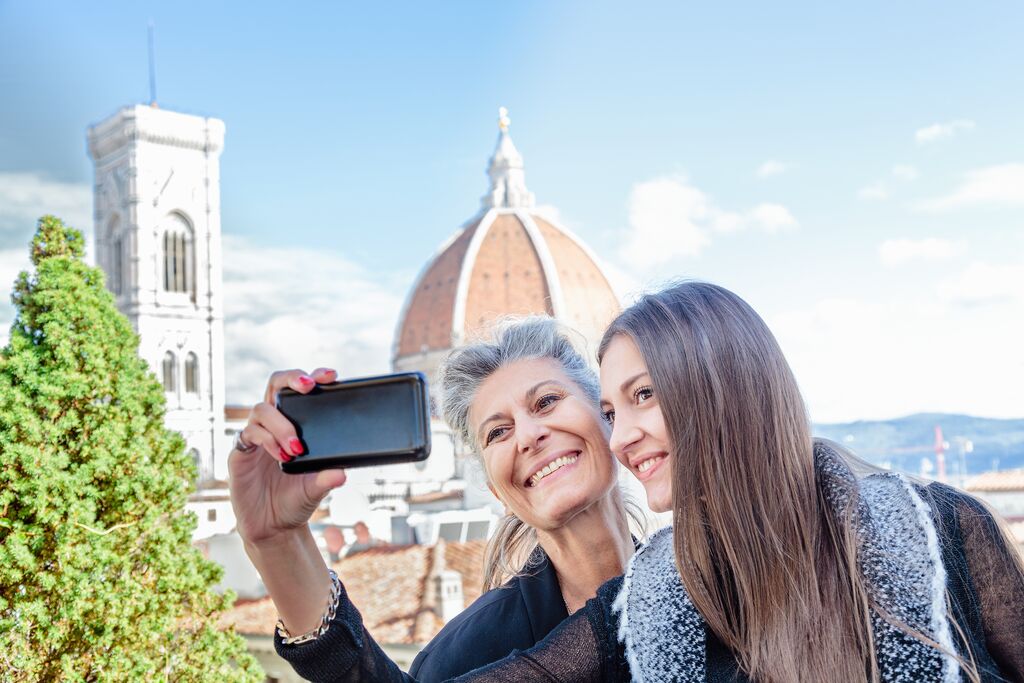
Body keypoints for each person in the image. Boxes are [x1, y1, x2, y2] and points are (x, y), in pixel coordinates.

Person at [266, 281, 1024, 682]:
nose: (625, 430)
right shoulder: (648, 608)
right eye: (496, 431)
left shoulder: (946, 530)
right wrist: (275, 538)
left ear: (720, 383)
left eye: (641, 396)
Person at [228, 318, 639, 681]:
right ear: (498, 490)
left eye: (546, 401)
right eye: (498, 432)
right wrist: (277, 541)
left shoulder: (696, 580)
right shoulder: (464, 654)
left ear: (609, 417)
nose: (529, 436)